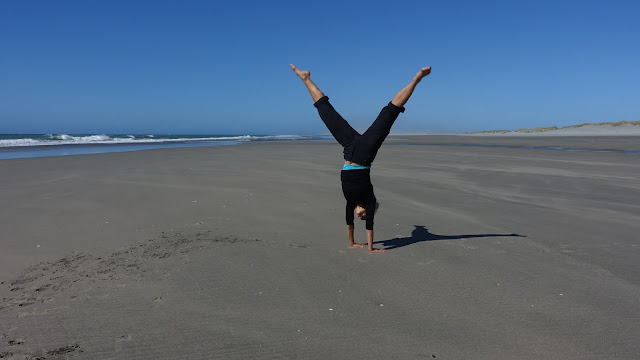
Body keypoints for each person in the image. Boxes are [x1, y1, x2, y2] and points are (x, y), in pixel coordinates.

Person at [291, 64, 431, 253]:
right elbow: (370, 227)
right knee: (389, 113)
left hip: (349, 150)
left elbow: (349, 223)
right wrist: (371, 248)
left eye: (361, 217)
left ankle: (306, 79)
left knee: (327, 113)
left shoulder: (350, 202)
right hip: (365, 153)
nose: (360, 216)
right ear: (368, 210)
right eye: (364, 215)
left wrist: (352, 243)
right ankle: (417, 79)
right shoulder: (369, 200)